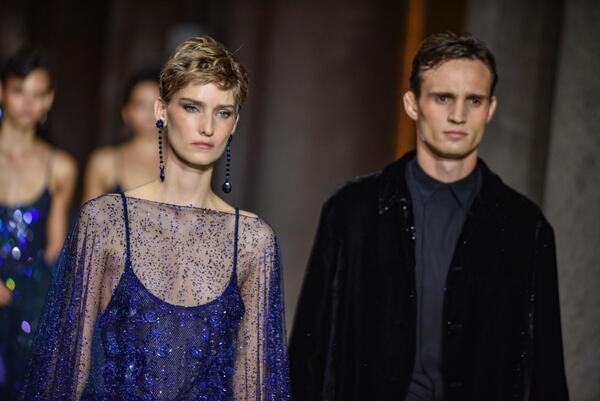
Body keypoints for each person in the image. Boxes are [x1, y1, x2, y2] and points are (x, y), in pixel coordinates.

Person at [289, 32, 569, 401]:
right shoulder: (352, 212)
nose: (458, 116)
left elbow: (544, 368)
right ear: (412, 104)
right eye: (442, 98)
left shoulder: (525, 228)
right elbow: (310, 354)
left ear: (491, 109)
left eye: (474, 100)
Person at [20, 36, 290, 401]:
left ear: (235, 123)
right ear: (161, 111)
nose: (208, 127)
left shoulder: (253, 241)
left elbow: (254, 386)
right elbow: (66, 370)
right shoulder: (106, 222)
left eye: (223, 112)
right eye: (192, 108)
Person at [0, 45, 77, 399]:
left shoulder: (60, 166)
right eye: (19, 91)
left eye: (38, 94)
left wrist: (23, 294)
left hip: (29, 298)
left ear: (49, 100)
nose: (27, 103)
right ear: (3, 91)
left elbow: (54, 247)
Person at [83, 70, 161, 201]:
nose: (150, 112)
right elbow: (90, 213)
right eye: (141, 105)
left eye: (157, 104)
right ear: (126, 112)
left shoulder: (185, 162)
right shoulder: (104, 163)